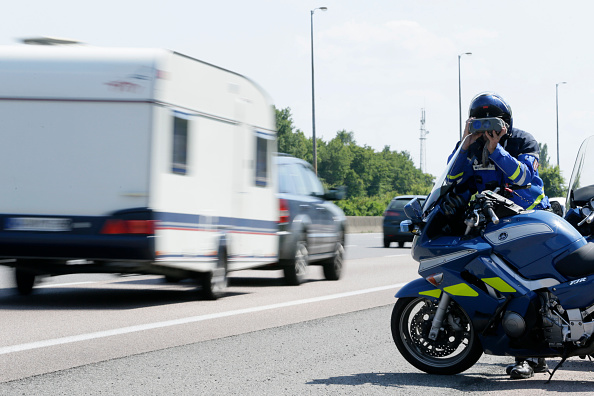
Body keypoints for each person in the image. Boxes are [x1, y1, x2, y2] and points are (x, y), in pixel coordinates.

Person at [448, 92, 550, 379]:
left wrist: (496, 148)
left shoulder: (522, 141)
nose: (485, 129)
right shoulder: (469, 145)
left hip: (529, 220)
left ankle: (527, 357)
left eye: (492, 122)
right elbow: (453, 179)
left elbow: (522, 177)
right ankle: (527, 348)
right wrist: (465, 143)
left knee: (524, 285)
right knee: (500, 285)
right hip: (492, 224)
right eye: (479, 123)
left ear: (506, 122)